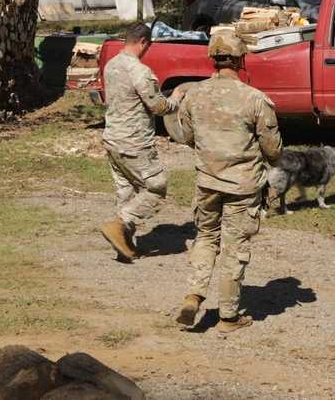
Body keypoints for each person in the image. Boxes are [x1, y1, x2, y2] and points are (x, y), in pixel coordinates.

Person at [172, 28, 283, 334]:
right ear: (240, 59)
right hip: (242, 188)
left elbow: (188, 136)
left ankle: (193, 297)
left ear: (213, 61)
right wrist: (274, 165)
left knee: (206, 238)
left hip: (206, 183)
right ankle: (229, 317)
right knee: (234, 248)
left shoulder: (193, 95)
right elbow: (272, 147)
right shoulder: (254, 98)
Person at [100, 21, 182, 261]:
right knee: (156, 187)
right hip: (135, 143)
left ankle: (125, 246)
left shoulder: (111, 65)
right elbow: (158, 106)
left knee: (126, 191)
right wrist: (175, 99)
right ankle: (121, 224)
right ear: (144, 42)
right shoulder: (140, 71)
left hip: (113, 139)